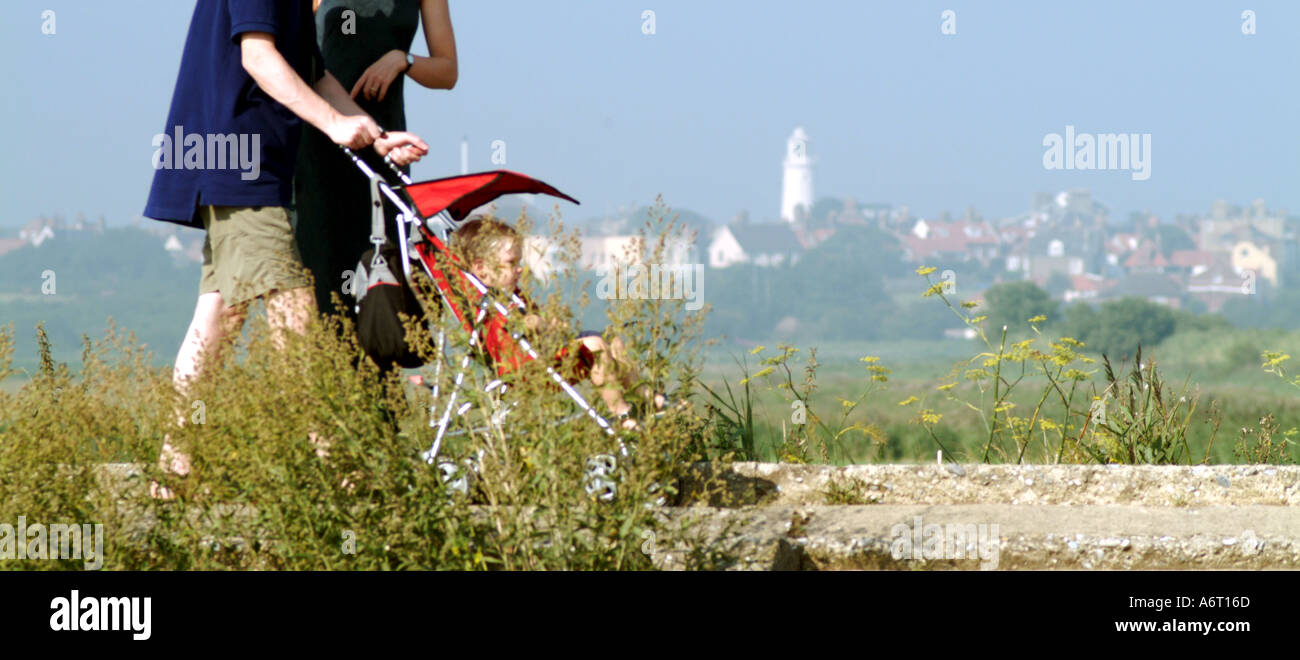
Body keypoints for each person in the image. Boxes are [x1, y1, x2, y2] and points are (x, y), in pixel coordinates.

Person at [143, 0, 429, 498]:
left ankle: (175, 469)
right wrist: (335, 125)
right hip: (240, 163)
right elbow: (258, 56)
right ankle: (334, 468)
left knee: (219, 316)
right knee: (295, 307)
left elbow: (313, 74)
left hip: (244, 165)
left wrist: (375, 137)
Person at [295, 0, 458, 320]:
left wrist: (404, 59)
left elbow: (447, 72)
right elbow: (293, 51)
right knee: (319, 280)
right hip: (318, 144)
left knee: (383, 286)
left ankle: (377, 370)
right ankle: (322, 366)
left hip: (387, 146)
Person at [450, 218, 668, 430]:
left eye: (519, 262)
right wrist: (541, 324)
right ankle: (623, 415)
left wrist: (550, 325)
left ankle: (649, 398)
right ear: (481, 269)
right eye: (511, 263)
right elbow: (525, 324)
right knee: (594, 346)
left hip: (539, 355)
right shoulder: (485, 304)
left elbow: (534, 320)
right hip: (522, 368)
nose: (519, 269)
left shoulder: (511, 296)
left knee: (613, 341)